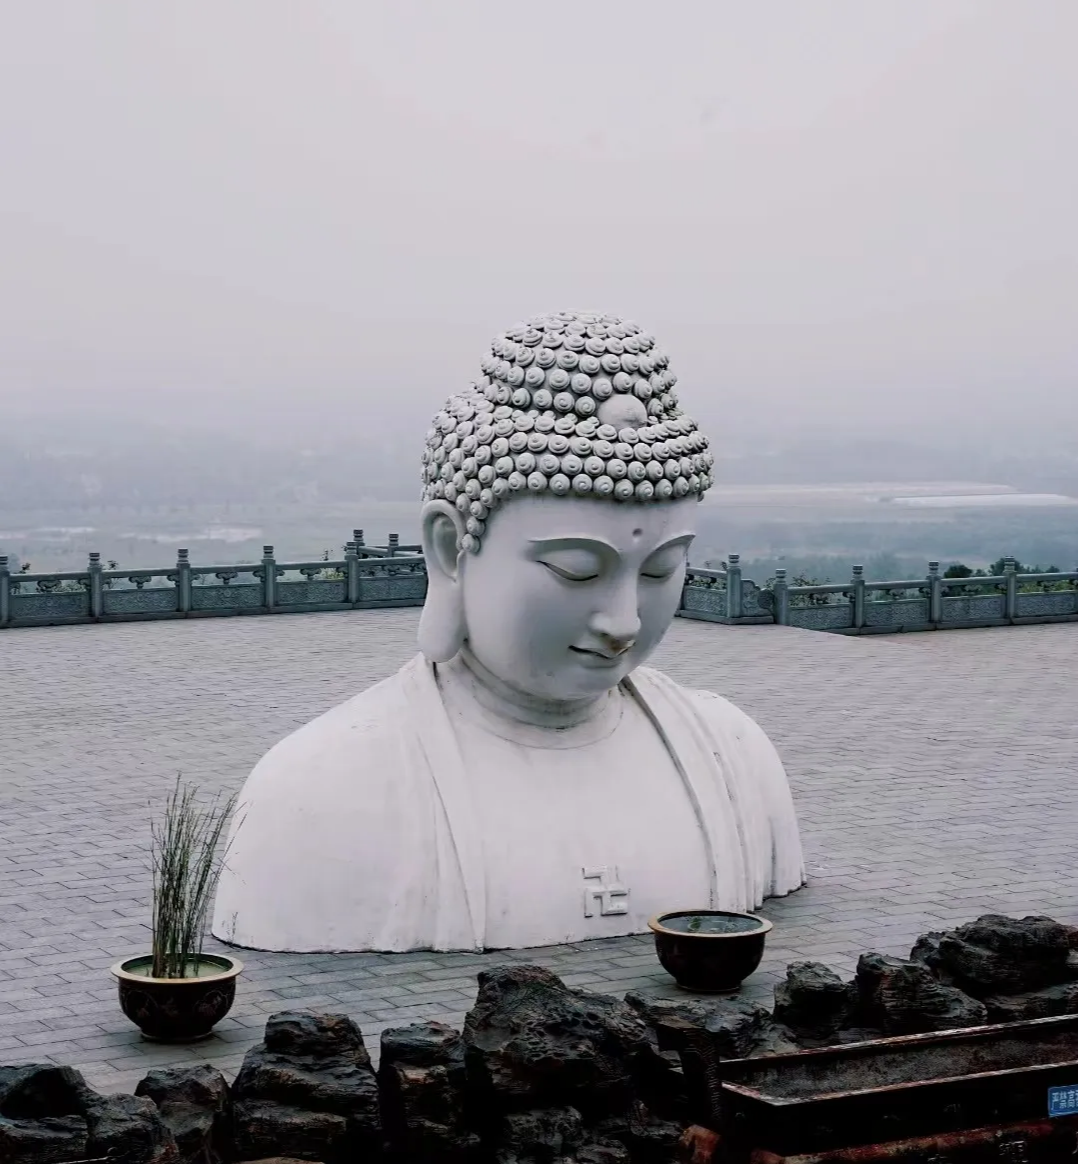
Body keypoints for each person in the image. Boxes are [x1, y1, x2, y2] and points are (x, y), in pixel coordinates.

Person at [212, 313, 804, 952]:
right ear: (450, 549)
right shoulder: (319, 792)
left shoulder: (733, 757)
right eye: (576, 570)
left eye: (661, 569)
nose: (623, 622)